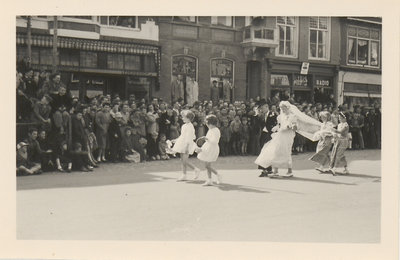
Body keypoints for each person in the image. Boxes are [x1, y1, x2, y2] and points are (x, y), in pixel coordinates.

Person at [254, 101, 298, 178]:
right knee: (265, 150)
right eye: (281, 108)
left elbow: (294, 127)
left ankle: (284, 169)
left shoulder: (275, 115)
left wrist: (288, 126)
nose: (283, 110)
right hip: (267, 134)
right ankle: (267, 169)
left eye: (284, 108)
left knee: (282, 151)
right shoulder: (277, 116)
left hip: (277, 135)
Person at [171, 110, 201, 181]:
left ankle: (196, 169)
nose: (182, 118)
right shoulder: (184, 125)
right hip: (183, 143)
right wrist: (176, 140)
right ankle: (184, 175)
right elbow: (182, 136)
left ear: (189, 118)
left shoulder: (190, 127)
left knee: (184, 160)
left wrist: (187, 147)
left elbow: (189, 137)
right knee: (182, 160)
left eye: (184, 117)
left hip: (187, 144)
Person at [196, 115, 222, 186]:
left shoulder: (216, 130)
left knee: (207, 165)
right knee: (207, 164)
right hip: (208, 147)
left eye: (207, 123)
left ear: (211, 123)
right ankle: (209, 180)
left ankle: (218, 174)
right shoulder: (210, 130)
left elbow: (215, 141)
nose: (207, 124)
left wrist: (207, 139)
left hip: (212, 149)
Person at [255, 99, 277, 177]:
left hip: (270, 134)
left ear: (267, 107)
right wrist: (257, 116)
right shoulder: (260, 115)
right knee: (262, 151)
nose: (261, 110)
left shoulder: (273, 115)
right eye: (260, 109)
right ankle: (266, 169)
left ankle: (267, 169)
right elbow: (257, 125)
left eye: (262, 108)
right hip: (263, 134)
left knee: (266, 152)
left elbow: (275, 124)